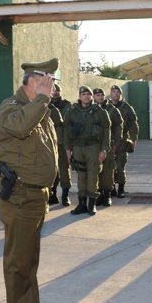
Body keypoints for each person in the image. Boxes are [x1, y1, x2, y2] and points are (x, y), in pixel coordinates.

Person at [0, 58, 59, 303]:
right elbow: (20, 128)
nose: (52, 87)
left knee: (31, 257)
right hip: (19, 195)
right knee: (18, 259)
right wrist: (42, 100)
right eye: (48, 82)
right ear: (33, 81)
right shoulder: (12, 108)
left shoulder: (39, 110)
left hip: (36, 195)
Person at [64, 85, 111, 216]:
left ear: (92, 97)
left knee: (93, 176)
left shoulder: (100, 112)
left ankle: (92, 204)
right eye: (83, 94)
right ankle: (82, 204)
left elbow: (107, 131)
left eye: (88, 94)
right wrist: (68, 149)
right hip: (78, 148)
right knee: (81, 176)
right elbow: (67, 130)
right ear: (79, 96)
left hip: (94, 147)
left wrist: (104, 150)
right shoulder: (72, 111)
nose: (86, 96)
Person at [93, 88, 123, 207]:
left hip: (109, 145)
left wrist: (115, 144)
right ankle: (98, 194)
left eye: (101, 95)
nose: (100, 97)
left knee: (108, 170)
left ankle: (107, 195)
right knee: (96, 170)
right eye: (97, 95)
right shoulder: (91, 110)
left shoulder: (112, 110)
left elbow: (118, 127)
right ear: (93, 97)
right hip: (94, 146)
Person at [109, 84, 139, 198]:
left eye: (118, 92)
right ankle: (111, 188)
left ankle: (121, 188)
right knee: (109, 167)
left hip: (122, 141)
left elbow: (133, 124)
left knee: (120, 166)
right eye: (113, 92)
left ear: (121, 94)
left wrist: (134, 139)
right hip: (109, 142)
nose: (116, 94)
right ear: (110, 94)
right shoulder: (106, 107)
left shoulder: (126, 107)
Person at [48, 83, 72, 206]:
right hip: (49, 142)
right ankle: (52, 194)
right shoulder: (45, 106)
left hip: (63, 142)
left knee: (64, 169)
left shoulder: (68, 105)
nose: (56, 92)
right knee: (52, 170)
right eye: (53, 90)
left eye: (58, 90)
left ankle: (65, 194)